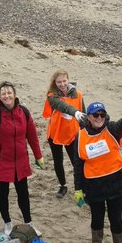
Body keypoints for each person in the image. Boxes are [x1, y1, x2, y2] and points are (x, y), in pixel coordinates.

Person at [70, 102, 122, 243]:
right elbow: (78, 165)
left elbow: (120, 126)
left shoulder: (111, 129)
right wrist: (78, 189)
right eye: (95, 115)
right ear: (88, 117)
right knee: (97, 217)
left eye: (102, 115)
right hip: (94, 184)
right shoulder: (80, 137)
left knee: (116, 218)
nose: (99, 118)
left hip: (115, 181)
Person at [0, 82, 45, 235]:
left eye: (9, 92)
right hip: (1, 160)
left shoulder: (24, 112)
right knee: (3, 193)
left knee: (23, 193)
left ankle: (29, 223)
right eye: (3, 93)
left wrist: (38, 155)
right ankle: (7, 224)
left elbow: (32, 136)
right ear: (0, 97)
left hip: (20, 161)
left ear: (14, 94)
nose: (6, 96)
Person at [41, 69, 85, 198]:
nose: (62, 84)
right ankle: (62, 185)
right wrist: (74, 112)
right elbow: (62, 106)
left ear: (68, 80)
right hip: (55, 133)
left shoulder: (78, 94)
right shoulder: (52, 96)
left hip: (72, 134)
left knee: (76, 162)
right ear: (55, 83)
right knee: (58, 161)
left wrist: (85, 129)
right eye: (59, 82)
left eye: (64, 81)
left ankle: (81, 187)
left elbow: (83, 113)